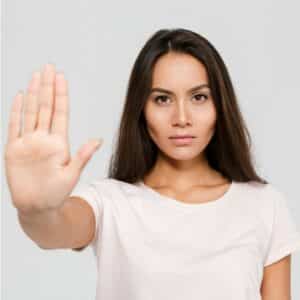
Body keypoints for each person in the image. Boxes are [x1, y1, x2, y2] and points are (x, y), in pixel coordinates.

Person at [4, 28, 300, 300]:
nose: (182, 118)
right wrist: (36, 210)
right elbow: (53, 230)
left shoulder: (264, 205)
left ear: (220, 105)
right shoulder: (110, 203)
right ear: (141, 109)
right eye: (162, 99)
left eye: (198, 97)